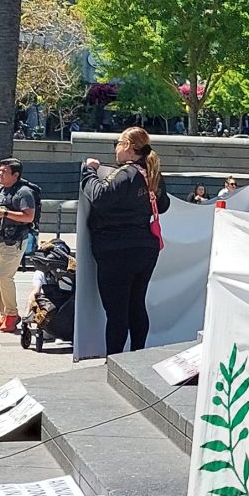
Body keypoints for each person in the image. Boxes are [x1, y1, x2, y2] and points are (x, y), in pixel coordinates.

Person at [79, 127, 166, 355]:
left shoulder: (125, 173)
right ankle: (138, 355)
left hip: (116, 249)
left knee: (117, 312)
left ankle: (115, 360)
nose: (115, 149)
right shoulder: (152, 174)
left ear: (127, 146)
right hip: (146, 247)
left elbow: (99, 196)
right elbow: (163, 205)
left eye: (117, 143)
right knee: (136, 304)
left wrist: (89, 171)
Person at [0, 158, 39, 334]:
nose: (0, 174)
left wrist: (5, 213)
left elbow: (29, 217)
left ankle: (12, 315)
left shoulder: (24, 193)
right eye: (0, 171)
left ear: (16, 175)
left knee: (4, 278)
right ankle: (5, 315)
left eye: (5, 172)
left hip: (13, 242)